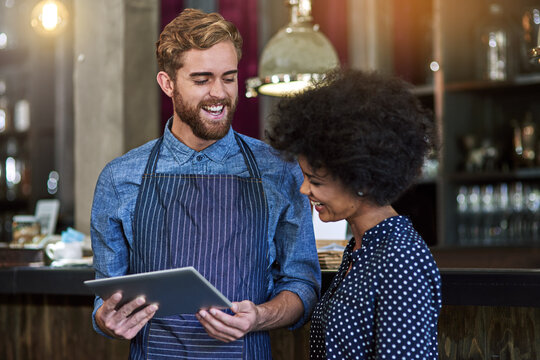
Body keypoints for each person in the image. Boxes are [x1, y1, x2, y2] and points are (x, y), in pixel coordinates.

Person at [89, 8, 320, 359]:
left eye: (228, 77)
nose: (219, 94)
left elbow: (302, 287)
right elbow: (108, 295)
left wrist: (259, 316)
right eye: (201, 80)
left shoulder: (278, 170)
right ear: (167, 83)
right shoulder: (120, 178)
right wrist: (104, 320)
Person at [267, 69, 442, 359]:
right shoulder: (362, 248)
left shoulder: (401, 259)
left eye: (316, 181)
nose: (303, 189)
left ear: (362, 180)